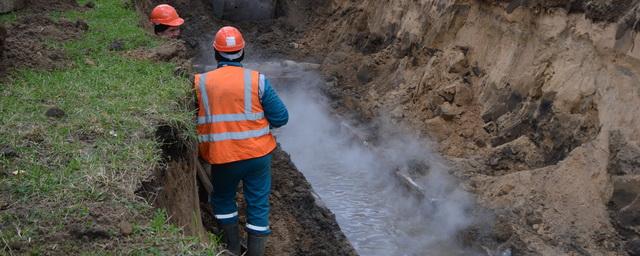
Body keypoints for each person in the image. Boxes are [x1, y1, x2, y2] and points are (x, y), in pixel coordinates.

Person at [194, 26, 288, 256]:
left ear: (216, 53)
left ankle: (233, 249)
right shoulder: (258, 81)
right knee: (258, 205)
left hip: (223, 156)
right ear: (242, 52)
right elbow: (281, 117)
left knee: (223, 199)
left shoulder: (200, 83)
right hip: (257, 156)